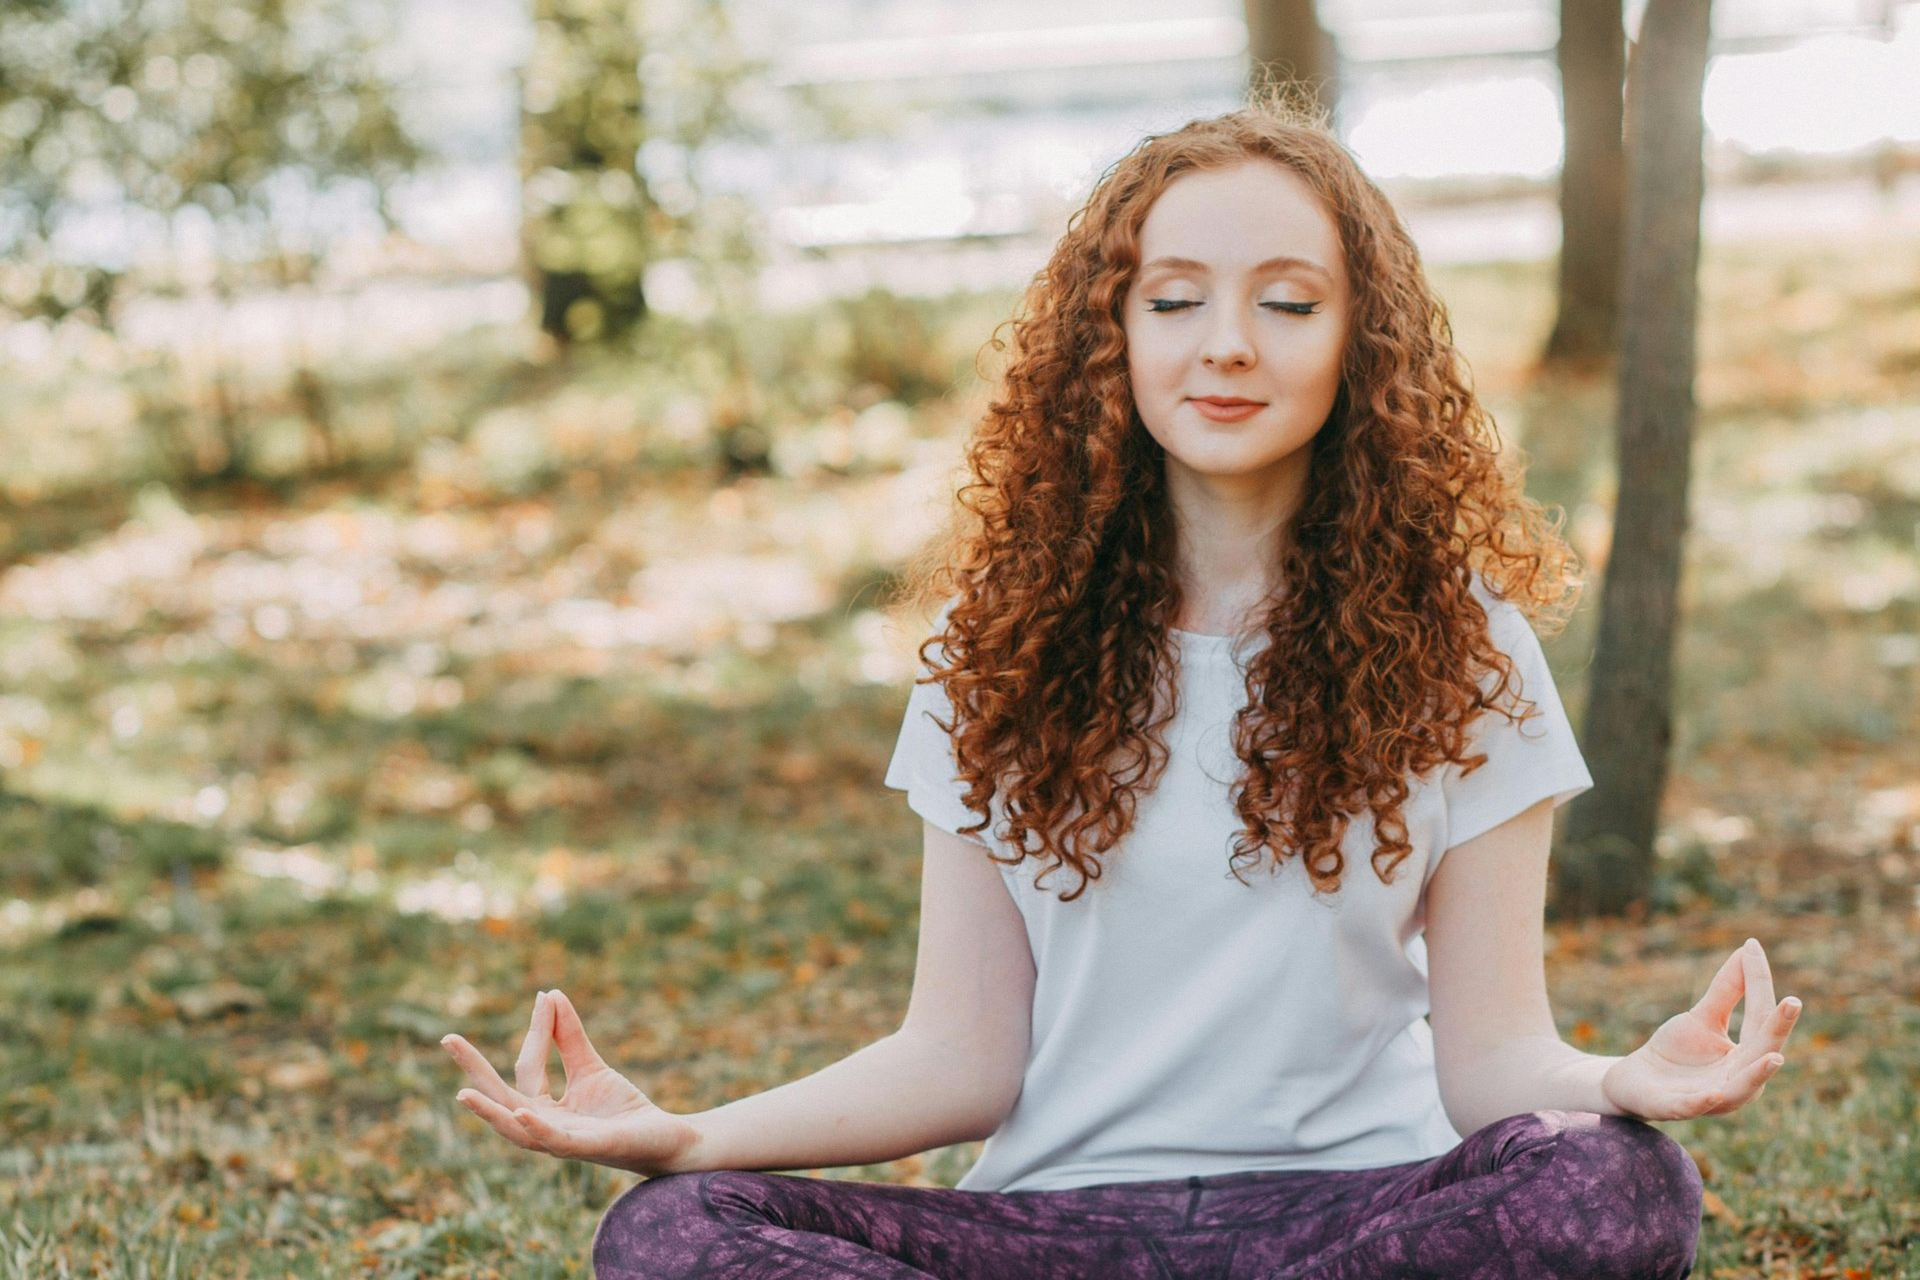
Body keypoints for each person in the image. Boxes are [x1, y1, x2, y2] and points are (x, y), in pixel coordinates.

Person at [440, 99, 1806, 1279]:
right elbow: (959, 1060)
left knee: (1620, 1188)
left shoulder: (1467, 646)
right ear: (1112, 339)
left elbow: (1497, 1060)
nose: (1226, 344)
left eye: (1287, 301)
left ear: (1361, 343)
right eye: (1172, 300)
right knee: (667, 1237)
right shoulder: (997, 649)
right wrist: (688, 1138)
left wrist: (1618, 1086)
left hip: (1359, 1224)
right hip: (1050, 1231)